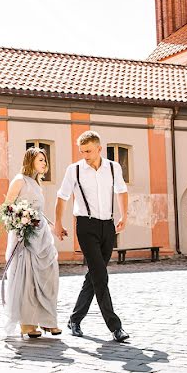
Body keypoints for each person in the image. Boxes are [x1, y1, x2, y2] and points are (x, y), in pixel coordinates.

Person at [53, 131, 130, 342]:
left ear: (99, 148)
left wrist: (124, 215)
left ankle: (75, 319)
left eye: (88, 151)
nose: (85, 155)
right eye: (82, 151)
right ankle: (115, 327)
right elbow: (62, 197)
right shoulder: (74, 170)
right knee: (101, 276)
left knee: (95, 276)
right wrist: (58, 223)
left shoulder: (114, 168)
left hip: (108, 225)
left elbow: (121, 191)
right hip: (85, 226)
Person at [1, 146, 61, 338]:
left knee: (48, 276)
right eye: (41, 160)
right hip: (24, 237)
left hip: (41, 234)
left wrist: (54, 226)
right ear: (30, 160)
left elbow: (39, 211)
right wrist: (21, 222)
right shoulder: (19, 180)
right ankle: (27, 324)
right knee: (27, 279)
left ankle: (48, 321)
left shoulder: (36, 183)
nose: (45, 163)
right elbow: (7, 208)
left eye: (45, 160)